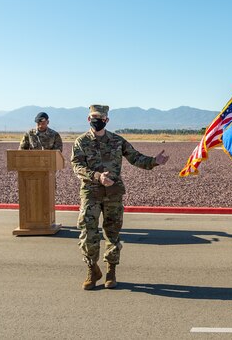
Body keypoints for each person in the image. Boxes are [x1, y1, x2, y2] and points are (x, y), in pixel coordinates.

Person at [71, 105, 169, 290]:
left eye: (101, 117)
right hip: (91, 193)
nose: (97, 120)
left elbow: (135, 157)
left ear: (107, 120)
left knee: (112, 233)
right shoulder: (81, 142)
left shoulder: (117, 141)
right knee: (87, 233)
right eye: (94, 116)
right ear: (88, 119)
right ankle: (92, 269)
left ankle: (111, 270)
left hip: (113, 193)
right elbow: (77, 166)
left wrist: (154, 161)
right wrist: (97, 176)